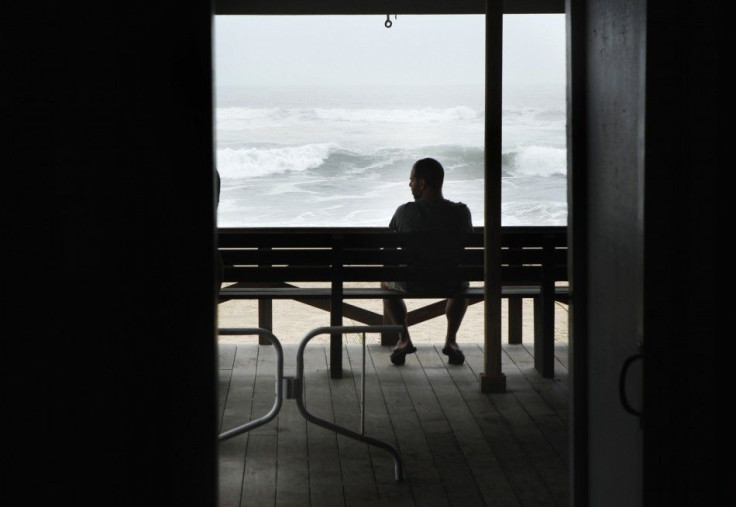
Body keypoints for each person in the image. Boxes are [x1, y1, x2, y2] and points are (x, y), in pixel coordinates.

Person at [382, 158, 473, 366]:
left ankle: (404, 338)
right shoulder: (461, 212)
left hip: (412, 283)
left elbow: (389, 247)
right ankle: (451, 341)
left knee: (385, 283)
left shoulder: (404, 212)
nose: (409, 184)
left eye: (412, 179)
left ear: (422, 184)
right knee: (463, 282)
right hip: (451, 283)